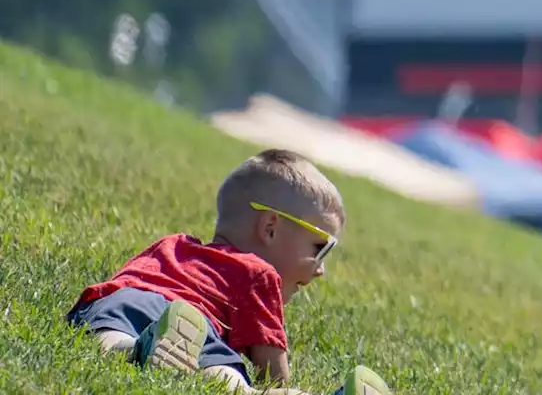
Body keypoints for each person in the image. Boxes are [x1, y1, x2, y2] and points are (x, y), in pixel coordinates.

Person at [64, 149, 393, 395]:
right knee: (228, 378)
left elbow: (125, 281)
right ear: (270, 228)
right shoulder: (258, 274)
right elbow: (274, 376)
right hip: (196, 321)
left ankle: (137, 348)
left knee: (107, 337)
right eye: (319, 248)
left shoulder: (175, 244)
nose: (320, 269)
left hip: (121, 300)